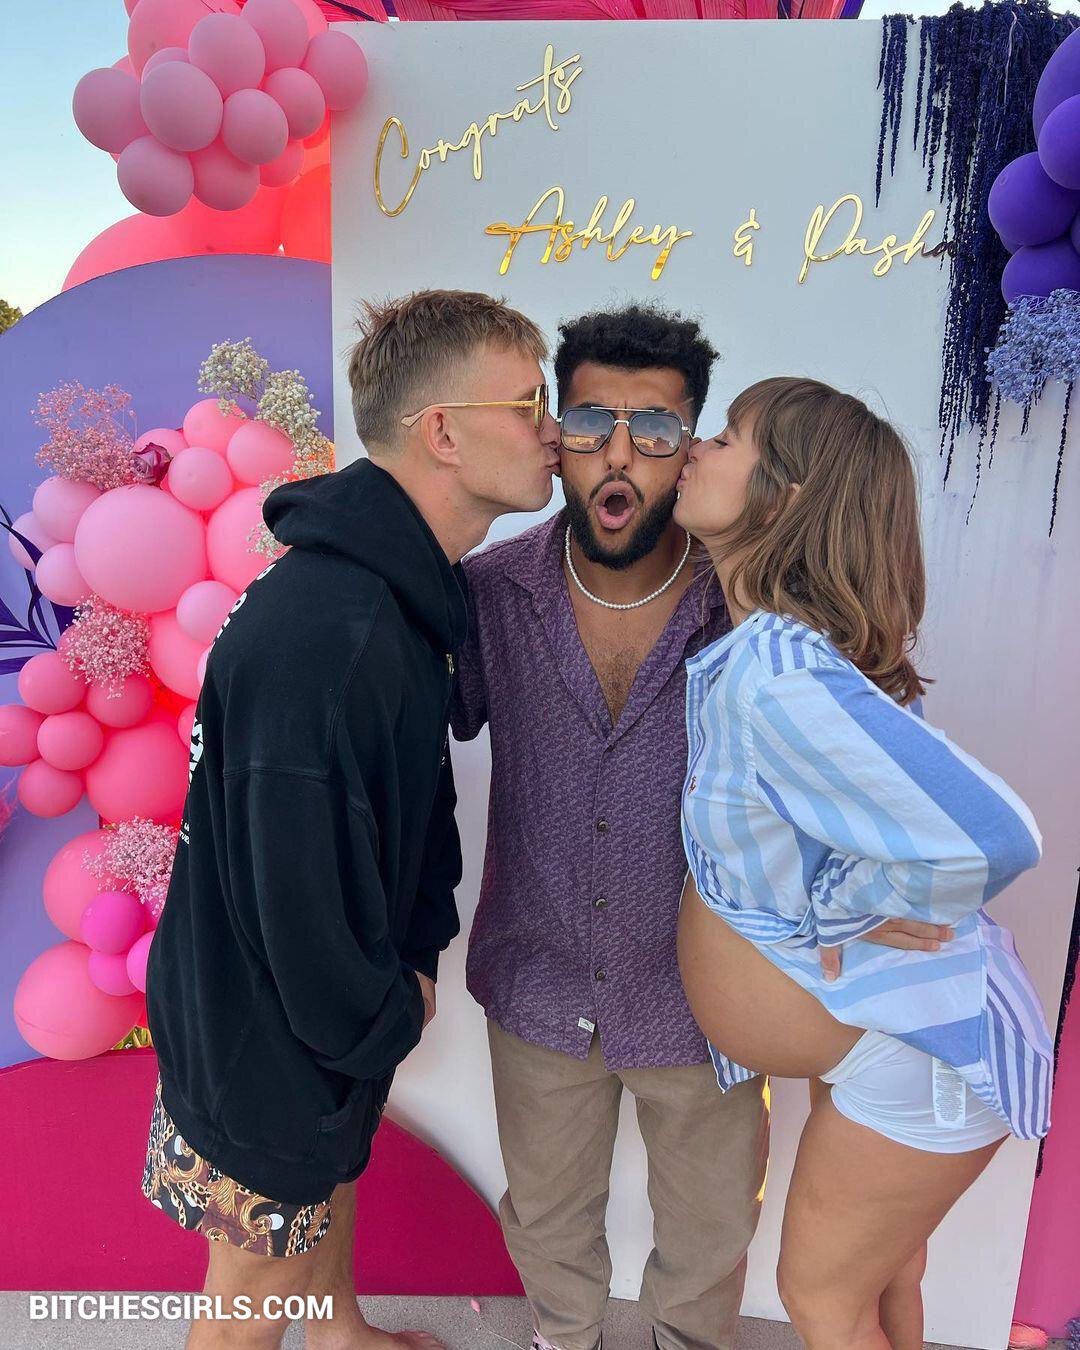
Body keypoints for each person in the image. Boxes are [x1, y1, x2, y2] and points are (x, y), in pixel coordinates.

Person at [451, 306, 945, 1350]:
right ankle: (564, 1339)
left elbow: (859, 751)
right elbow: (392, 742)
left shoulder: (758, 611)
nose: (619, 455)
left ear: (691, 447)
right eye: (593, 422)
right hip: (536, 983)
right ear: (557, 434)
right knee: (546, 1219)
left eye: (657, 429)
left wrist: (875, 887)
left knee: (712, 1233)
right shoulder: (487, 596)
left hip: (709, 1003)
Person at [141, 289, 560, 1350]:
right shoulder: (337, 634)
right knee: (244, 1305)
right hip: (264, 1023)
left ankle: (338, 1335)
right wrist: (379, 1017)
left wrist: (394, 979)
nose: (554, 430)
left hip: (288, 1009)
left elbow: (386, 815)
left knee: (324, 1171)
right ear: (444, 432)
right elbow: (298, 895)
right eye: (529, 404)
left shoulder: (391, 593)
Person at [673, 376, 1052, 1350]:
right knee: (882, 1284)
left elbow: (996, 836)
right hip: (890, 1041)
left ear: (785, 496)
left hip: (918, 1053)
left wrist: (846, 909)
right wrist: (844, 900)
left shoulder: (779, 673)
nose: (696, 448)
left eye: (727, 437)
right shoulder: (796, 657)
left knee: (823, 1303)